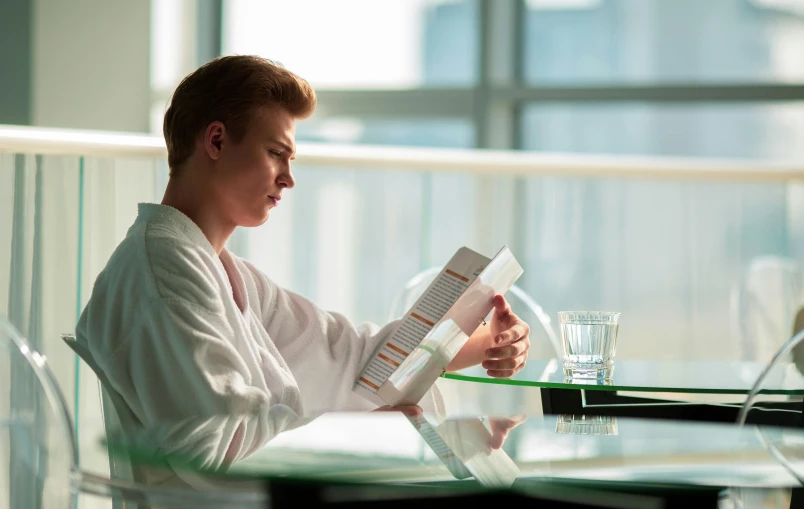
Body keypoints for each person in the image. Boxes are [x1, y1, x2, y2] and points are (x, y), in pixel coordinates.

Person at [70, 55, 530, 472]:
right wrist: (367, 433)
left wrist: (481, 342)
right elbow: (217, 445)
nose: (289, 179)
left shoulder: (219, 270)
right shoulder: (166, 271)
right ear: (215, 140)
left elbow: (346, 353)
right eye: (276, 154)